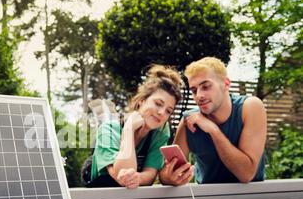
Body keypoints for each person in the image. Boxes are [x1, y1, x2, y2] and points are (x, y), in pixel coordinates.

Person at [159, 57, 267, 185]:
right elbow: (166, 175)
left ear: (226, 84)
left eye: (205, 87)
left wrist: (213, 130)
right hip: (207, 197)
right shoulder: (189, 120)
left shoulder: (250, 107)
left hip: (252, 196)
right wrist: (169, 177)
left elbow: (246, 174)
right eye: (194, 90)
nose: (199, 96)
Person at [88, 65, 183, 188]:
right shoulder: (108, 129)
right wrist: (128, 129)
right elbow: (122, 175)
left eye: (168, 111)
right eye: (158, 104)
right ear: (142, 101)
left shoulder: (160, 133)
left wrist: (138, 178)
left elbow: (150, 174)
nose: (161, 113)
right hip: (101, 194)